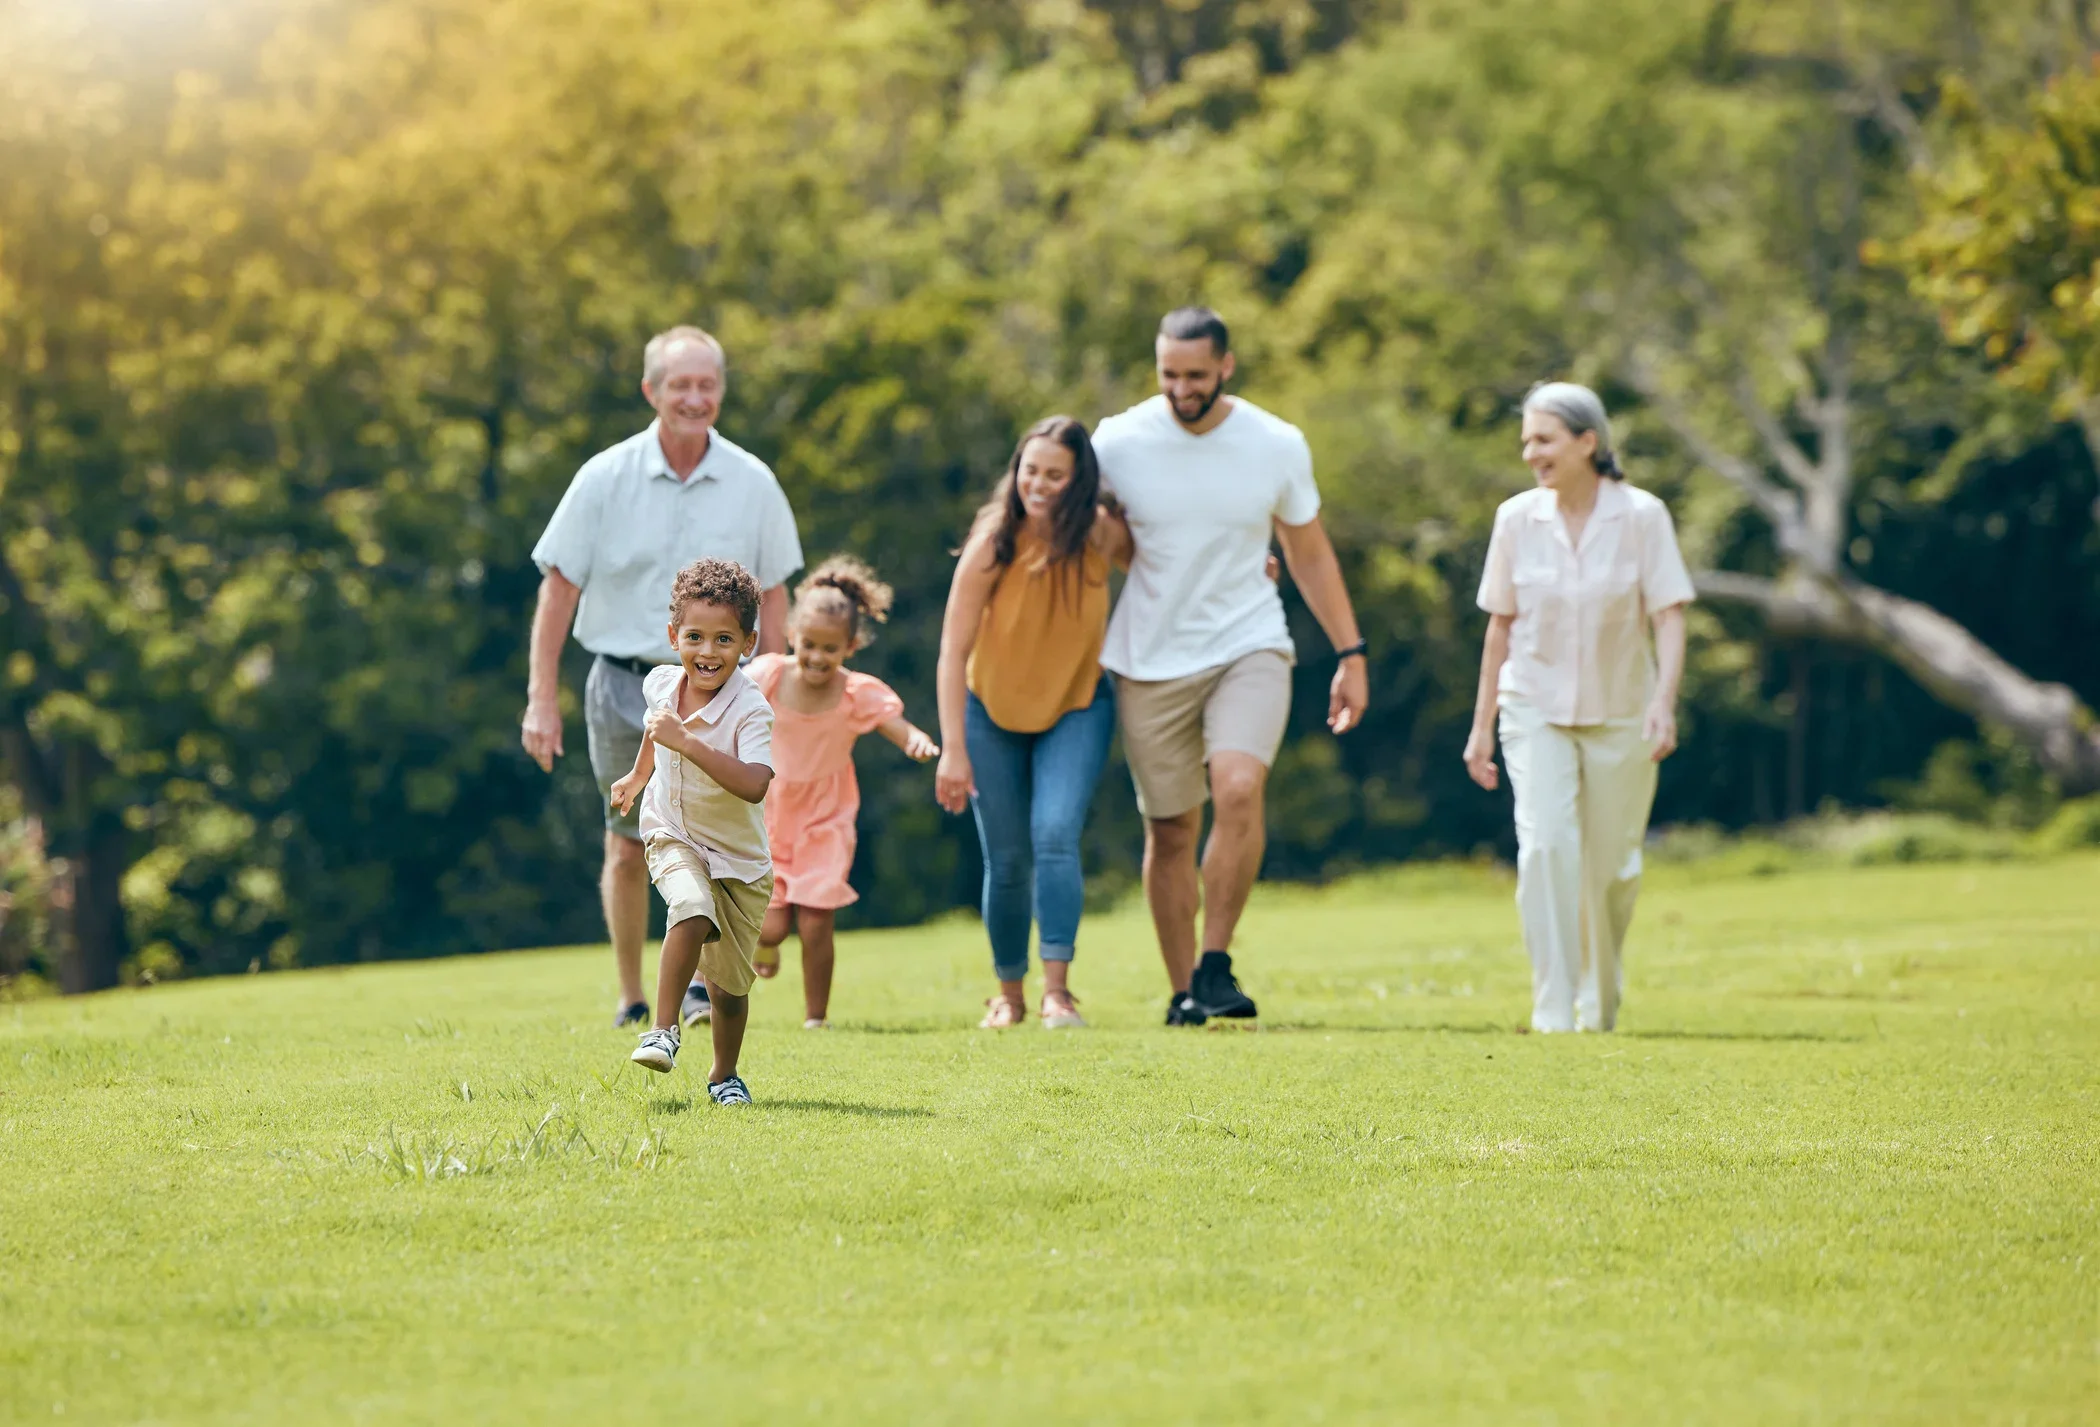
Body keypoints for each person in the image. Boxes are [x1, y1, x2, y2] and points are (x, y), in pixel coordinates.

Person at [1092, 308, 1369, 1026]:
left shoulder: (1275, 443)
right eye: (1169, 374)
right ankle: (1187, 989)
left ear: (1226, 367)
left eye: (1195, 374)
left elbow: (1308, 552)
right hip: (1149, 657)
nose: (1182, 388)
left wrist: (1351, 651)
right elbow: (1098, 540)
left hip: (1250, 641)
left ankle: (1216, 962)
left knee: (1240, 786)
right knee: (1172, 829)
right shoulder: (1118, 441)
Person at [524, 325, 802, 1031]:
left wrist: (778, 686)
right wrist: (540, 700)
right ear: (651, 390)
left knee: (719, 835)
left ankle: (706, 990)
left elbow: (774, 596)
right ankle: (631, 996)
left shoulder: (753, 481)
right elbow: (558, 589)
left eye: (707, 384)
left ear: (721, 392)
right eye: (680, 384)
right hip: (623, 684)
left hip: (729, 689)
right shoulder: (603, 477)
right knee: (626, 838)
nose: (695, 397)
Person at [1463, 382, 1694, 1034]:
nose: (1532, 453)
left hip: (1623, 709)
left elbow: (1669, 615)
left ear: (1587, 441)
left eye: (1544, 439)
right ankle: (1553, 1006)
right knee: (1545, 847)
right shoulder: (1515, 519)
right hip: (1532, 705)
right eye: (1526, 442)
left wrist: (1663, 702)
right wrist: (1481, 727)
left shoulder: (1643, 515)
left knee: (1610, 868)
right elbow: (1499, 629)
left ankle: (1600, 1000)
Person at [935, 416, 1130, 1029]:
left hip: (1076, 706)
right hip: (990, 713)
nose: (1038, 484)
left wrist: (1253, 566)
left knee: (1053, 834)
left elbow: (1175, 559)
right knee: (1009, 857)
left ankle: (1058, 993)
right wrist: (953, 749)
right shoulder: (994, 541)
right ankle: (1009, 995)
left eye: (1055, 474)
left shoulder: (1101, 534)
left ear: (1080, 481)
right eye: (1030, 470)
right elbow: (951, 651)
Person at [608, 559, 775, 1103]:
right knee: (690, 908)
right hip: (672, 832)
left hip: (739, 862)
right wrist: (637, 777)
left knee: (728, 990)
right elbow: (658, 731)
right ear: (673, 635)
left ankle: (724, 1075)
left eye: (724, 639)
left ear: (748, 642)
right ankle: (664, 1028)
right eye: (695, 637)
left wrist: (690, 744)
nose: (708, 652)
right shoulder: (661, 683)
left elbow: (754, 785)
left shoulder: (751, 709)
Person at [746, 557, 939, 1028]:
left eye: (829, 649)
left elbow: (895, 725)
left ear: (850, 646)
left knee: (816, 921)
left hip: (825, 820)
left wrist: (914, 739)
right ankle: (766, 945)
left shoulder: (855, 693)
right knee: (770, 925)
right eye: (808, 644)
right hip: (769, 813)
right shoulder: (769, 675)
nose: (816, 657)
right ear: (792, 633)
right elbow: (726, 708)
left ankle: (817, 1016)